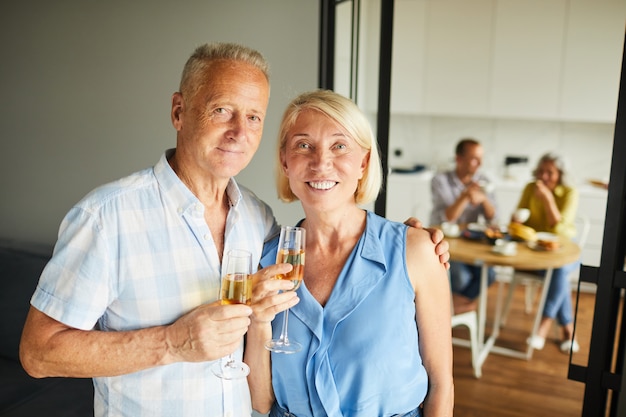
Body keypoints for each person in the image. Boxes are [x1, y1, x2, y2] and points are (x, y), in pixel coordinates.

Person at [19, 43, 450, 417]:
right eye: (221, 110)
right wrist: (172, 342)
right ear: (179, 111)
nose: (238, 132)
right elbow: (38, 353)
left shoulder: (260, 225)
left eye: (254, 117)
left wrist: (408, 240)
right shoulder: (107, 217)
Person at [246, 90, 454, 417]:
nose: (320, 162)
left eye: (339, 146)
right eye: (303, 145)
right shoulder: (265, 264)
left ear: (364, 163)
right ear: (285, 161)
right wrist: (258, 321)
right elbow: (261, 401)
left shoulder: (415, 252)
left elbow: (441, 385)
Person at [514, 152, 580, 354]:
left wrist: (548, 199)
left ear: (560, 174)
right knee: (559, 276)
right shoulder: (529, 188)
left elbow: (559, 230)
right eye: (541, 171)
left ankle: (542, 326)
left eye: (550, 172)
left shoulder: (570, 192)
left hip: (565, 251)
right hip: (535, 253)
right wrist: (516, 221)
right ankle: (568, 330)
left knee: (559, 270)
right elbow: (521, 220)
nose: (543, 176)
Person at [430, 138, 498, 313]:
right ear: (459, 159)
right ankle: (458, 306)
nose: (480, 163)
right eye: (474, 158)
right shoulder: (440, 180)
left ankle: (453, 305)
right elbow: (448, 217)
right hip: (444, 242)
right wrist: (466, 195)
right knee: (460, 277)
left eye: (480, 158)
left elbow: (494, 219)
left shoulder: (484, 181)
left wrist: (483, 199)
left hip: (471, 243)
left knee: (489, 274)